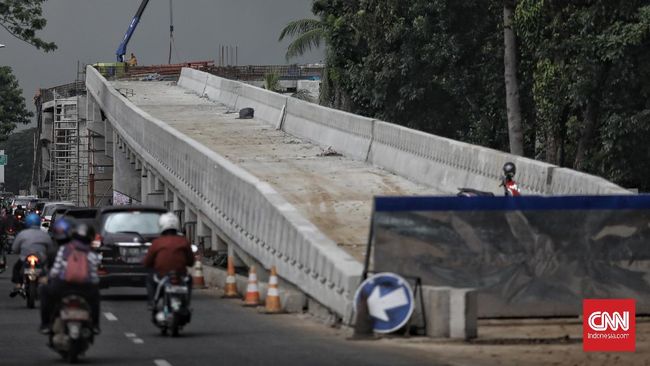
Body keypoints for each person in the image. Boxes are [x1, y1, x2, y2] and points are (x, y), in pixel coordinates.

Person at [40, 223, 101, 334]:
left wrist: (47, 279)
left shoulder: (64, 250)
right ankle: (96, 325)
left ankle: (46, 324)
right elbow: (94, 277)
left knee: (44, 290)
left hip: (63, 287)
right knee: (96, 297)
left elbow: (55, 271)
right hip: (85, 289)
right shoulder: (92, 254)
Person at [143, 213, 194, 309]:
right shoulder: (183, 241)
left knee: (150, 278)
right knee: (189, 280)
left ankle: (152, 302)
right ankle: (186, 303)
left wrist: (150, 265)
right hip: (180, 275)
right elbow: (191, 261)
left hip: (162, 275)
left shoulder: (157, 242)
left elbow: (147, 262)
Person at [9, 213, 54, 297]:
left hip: (25, 258)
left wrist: (19, 252)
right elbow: (50, 249)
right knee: (48, 269)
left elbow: (15, 248)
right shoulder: (44, 234)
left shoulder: (22, 234)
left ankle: (18, 284)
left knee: (16, 268)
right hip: (41, 258)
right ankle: (44, 280)